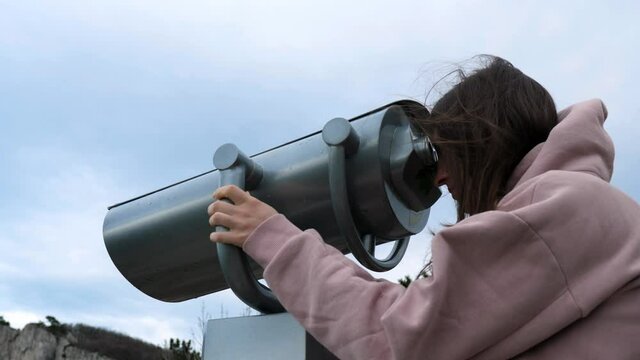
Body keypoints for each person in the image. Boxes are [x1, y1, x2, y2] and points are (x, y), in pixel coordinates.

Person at [207, 56, 640, 359]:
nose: (439, 179)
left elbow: (395, 339)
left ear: (480, 142)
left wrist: (274, 239)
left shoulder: (556, 210)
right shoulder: (581, 206)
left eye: (445, 153)